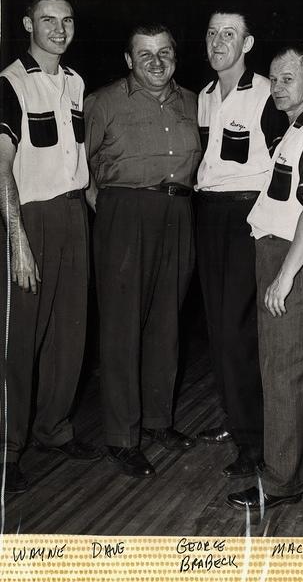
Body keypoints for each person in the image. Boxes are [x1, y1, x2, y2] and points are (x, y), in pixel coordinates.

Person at [226, 45, 303, 511]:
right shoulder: (300, 129)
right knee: (300, 369)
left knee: (284, 373)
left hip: (296, 259)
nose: (276, 87)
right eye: (273, 79)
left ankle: (279, 482)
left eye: (288, 78)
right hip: (287, 254)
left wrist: (285, 276)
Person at [84, 24, 201, 478]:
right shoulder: (103, 102)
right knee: (121, 329)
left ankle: (158, 422)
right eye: (145, 54)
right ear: (129, 60)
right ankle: (121, 436)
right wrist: (109, 209)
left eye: (164, 52)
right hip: (124, 214)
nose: (156, 61)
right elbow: (81, 167)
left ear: (175, 56)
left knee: (167, 324)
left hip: (179, 214)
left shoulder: (194, 102)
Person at [0, 0, 101, 493]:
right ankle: (8, 449)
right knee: (21, 340)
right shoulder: (10, 83)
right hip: (29, 218)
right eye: (48, 21)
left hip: (72, 213)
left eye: (67, 20)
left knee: (70, 333)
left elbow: (78, 164)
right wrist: (17, 240)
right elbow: (1, 169)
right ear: (27, 24)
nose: (59, 29)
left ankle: (53, 429)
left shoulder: (76, 83)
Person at [194, 10, 288, 478]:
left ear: (247, 44)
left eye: (229, 34)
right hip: (208, 213)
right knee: (218, 327)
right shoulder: (206, 96)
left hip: (246, 215)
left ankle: (257, 440)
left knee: (239, 331)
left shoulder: (269, 93)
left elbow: (283, 163)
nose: (218, 41)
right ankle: (238, 420)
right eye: (212, 33)